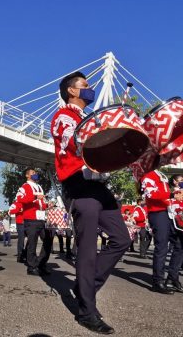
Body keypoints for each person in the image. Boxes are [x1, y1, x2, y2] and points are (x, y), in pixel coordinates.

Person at [51, 71, 131, 334]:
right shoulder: (64, 116)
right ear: (72, 92)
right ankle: (87, 311)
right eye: (85, 86)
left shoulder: (89, 117)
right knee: (86, 249)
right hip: (79, 184)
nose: (90, 89)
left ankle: (85, 286)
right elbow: (73, 142)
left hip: (98, 185)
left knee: (122, 238)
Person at [141, 170, 183, 294]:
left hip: (168, 212)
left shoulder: (160, 174)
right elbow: (150, 194)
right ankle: (157, 281)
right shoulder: (148, 174)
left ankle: (172, 278)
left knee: (180, 245)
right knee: (162, 246)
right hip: (158, 212)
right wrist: (171, 195)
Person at [16, 168, 52, 276]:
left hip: (41, 219)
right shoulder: (25, 186)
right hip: (31, 219)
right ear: (27, 175)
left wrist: (47, 205)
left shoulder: (39, 187)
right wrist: (35, 196)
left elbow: (40, 204)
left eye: (35, 173)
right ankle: (31, 267)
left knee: (48, 240)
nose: (35, 174)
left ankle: (40, 263)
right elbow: (20, 199)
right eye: (33, 173)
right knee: (32, 244)